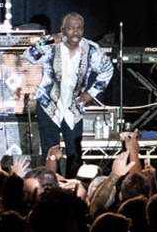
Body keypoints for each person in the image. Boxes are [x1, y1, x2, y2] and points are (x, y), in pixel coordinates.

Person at [23, 13, 115, 176]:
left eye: (79, 28)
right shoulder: (51, 46)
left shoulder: (91, 49)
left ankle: (74, 190)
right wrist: (49, 39)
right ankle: (50, 189)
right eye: (71, 28)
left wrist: (91, 93)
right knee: (50, 152)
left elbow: (107, 69)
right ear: (63, 30)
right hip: (49, 105)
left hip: (74, 107)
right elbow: (28, 55)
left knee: (75, 154)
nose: (75, 32)